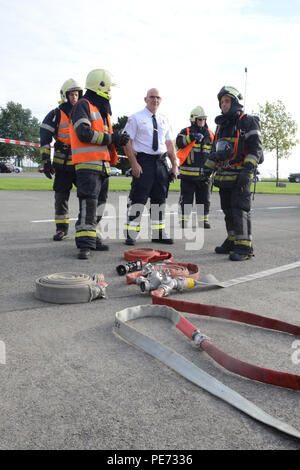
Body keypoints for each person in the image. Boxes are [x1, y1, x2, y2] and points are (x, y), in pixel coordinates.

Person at [70, 68, 130, 259]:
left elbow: (104, 138)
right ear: (100, 86)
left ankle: (92, 236)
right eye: (109, 88)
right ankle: (84, 244)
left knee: (100, 205)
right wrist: (112, 138)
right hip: (87, 165)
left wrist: (117, 139)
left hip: (102, 166)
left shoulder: (100, 109)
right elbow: (84, 133)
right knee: (89, 204)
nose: (110, 92)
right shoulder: (83, 105)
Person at [204, 86, 263, 261]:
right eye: (222, 102)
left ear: (236, 102)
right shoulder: (222, 126)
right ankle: (232, 239)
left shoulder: (248, 121)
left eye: (227, 101)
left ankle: (244, 247)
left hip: (240, 175)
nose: (223, 104)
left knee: (240, 210)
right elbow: (216, 150)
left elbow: (256, 148)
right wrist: (207, 169)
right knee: (228, 210)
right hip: (224, 175)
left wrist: (248, 170)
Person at [123, 88, 178, 245]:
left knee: (159, 199)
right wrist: (134, 163)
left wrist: (174, 165)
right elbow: (127, 141)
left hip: (161, 163)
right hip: (144, 162)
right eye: (152, 97)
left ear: (161, 100)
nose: (155, 100)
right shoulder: (136, 118)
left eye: (158, 97)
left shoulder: (165, 119)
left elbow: (169, 144)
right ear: (146, 99)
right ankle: (131, 232)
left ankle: (158, 233)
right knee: (138, 198)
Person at [40, 79, 82, 241]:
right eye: (71, 94)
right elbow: (44, 138)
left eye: (77, 94)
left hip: (81, 164)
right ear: (65, 95)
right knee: (61, 198)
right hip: (62, 165)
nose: (74, 98)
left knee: (87, 196)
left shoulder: (84, 111)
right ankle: (61, 229)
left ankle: (86, 228)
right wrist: (46, 161)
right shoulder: (55, 114)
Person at [176, 106, 214, 229]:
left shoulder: (210, 134)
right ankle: (183, 220)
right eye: (199, 119)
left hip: (204, 175)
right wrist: (191, 137)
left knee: (204, 199)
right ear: (193, 119)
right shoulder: (186, 131)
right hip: (188, 174)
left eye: (204, 119)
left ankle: (203, 220)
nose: (202, 121)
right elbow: (179, 142)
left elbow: (214, 151)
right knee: (186, 199)